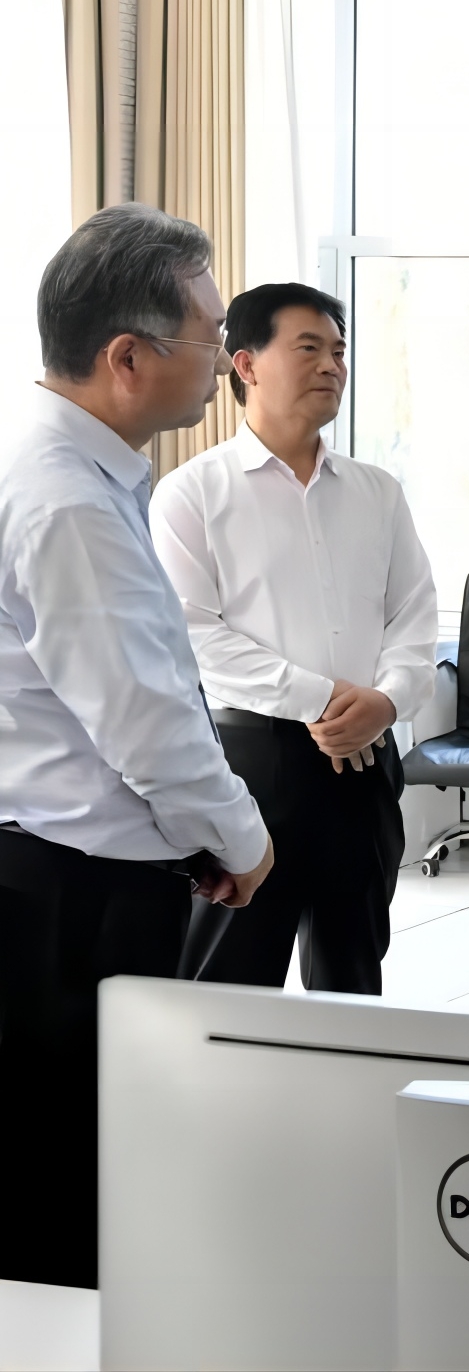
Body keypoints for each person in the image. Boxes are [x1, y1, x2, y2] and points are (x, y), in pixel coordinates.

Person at [0, 204, 274, 1287]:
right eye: (212, 335)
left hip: (70, 873)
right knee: (67, 1189)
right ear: (128, 357)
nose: (224, 360)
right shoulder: (66, 499)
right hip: (71, 894)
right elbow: (147, 722)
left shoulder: (69, 470)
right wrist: (242, 838)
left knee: (74, 1170)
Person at [150, 282, 435, 995]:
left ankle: (348, 1077)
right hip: (252, 764)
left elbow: (413, 616)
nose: (332, 365)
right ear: (245, 364)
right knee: (230, 980)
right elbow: (193, 635)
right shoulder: (192, 493)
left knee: (354, 979)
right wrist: (326, 700)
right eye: (309, 348)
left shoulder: (377, 492)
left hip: (366, 765)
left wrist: (386, 702)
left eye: (339, 351)